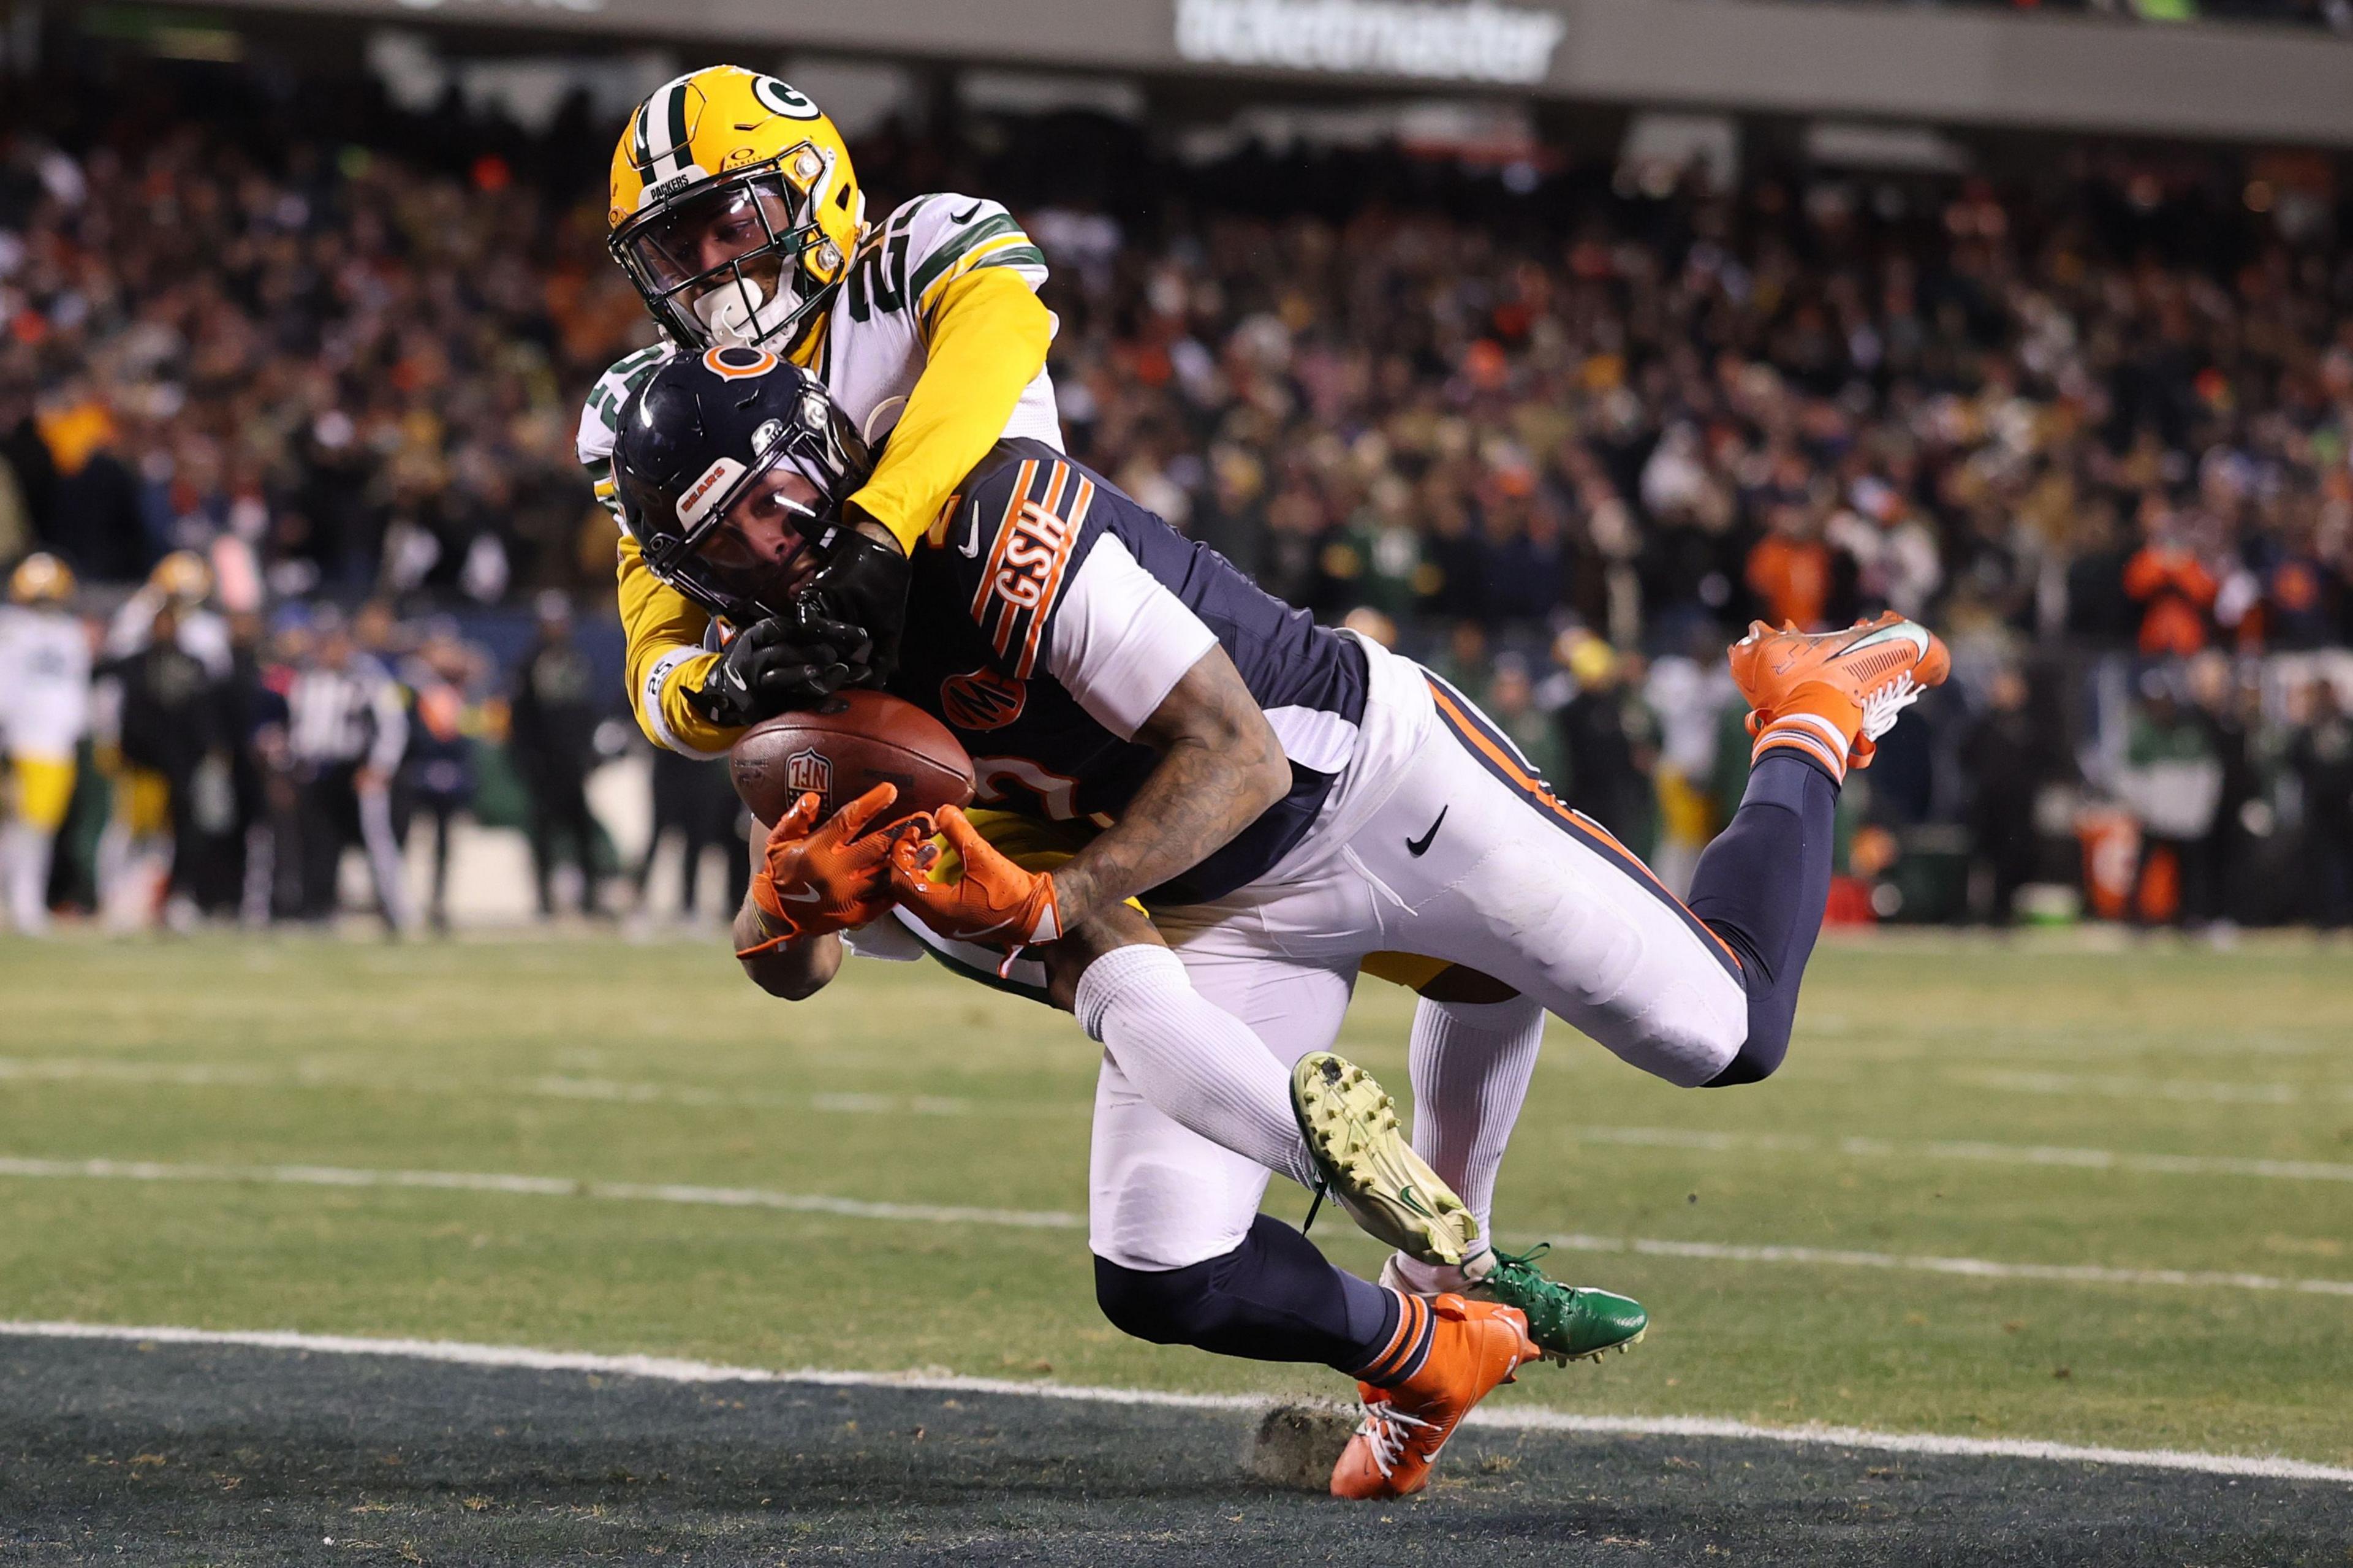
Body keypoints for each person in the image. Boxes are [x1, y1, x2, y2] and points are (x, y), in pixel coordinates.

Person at [612, 355, 1952, 1499]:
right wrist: (776, 913)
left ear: (829, 452)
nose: (774, 548)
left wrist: (1054, 899)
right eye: (726, 541)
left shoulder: (988, 518)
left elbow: (1238, 757)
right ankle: (1426, 1349)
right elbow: (811, 960)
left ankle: (1811, 714)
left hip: (1369, 782)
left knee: (1728, 1029)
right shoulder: (785, 686)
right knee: (1159, 1268)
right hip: (1201, 906)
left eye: (779, 501)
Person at [578, 68, 1604, 1382]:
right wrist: (734, 749)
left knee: (1145, 937)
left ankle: (1417, 1247)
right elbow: (659, 660)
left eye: (730, 224)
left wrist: (878, 537)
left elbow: (995, 343)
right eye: (676, 246)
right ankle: (1414, 1262)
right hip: (921, 751)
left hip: (1060, 682)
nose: (713, 268)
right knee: (1048, 946)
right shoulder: (657, 422)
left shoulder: (914, 277)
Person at [283, 609, 409, 930]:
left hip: (355, 770)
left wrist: (378, 766)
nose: (330, 650)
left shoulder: (368, 677)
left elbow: (393, 725)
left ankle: (395, 909)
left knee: (376, 840)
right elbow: (298, 728)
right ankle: (318, 909)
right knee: (318, 841)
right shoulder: (305, 677)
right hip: (314, 770)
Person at [0, 554, 91, 933]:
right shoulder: (10, 627)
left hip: (55, 744)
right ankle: (23, 903)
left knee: (38, 829)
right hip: (19, 740)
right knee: (24, 829)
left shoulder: (71, 634)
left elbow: (77, 690)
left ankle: (25, 901)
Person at [507, 593, 607, 920]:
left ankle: (590, 898)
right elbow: (521, 719)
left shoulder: (576, 661)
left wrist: (588, 754)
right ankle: (544, 900)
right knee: (544, 833)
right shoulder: (529, 664)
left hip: (573, 764)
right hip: (544, 764)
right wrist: (528, 759)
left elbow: (585, 713)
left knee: (581, 831)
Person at [1961, 667, 2042, 925]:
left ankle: (2004, 913)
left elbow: (2046, 762)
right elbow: (1965, 755)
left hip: (2017, 807)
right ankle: (1973, 912)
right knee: (1980, 859)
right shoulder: (1985, 723)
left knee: (2013, 860)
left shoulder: (2031, 725)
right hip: (1987, 804)